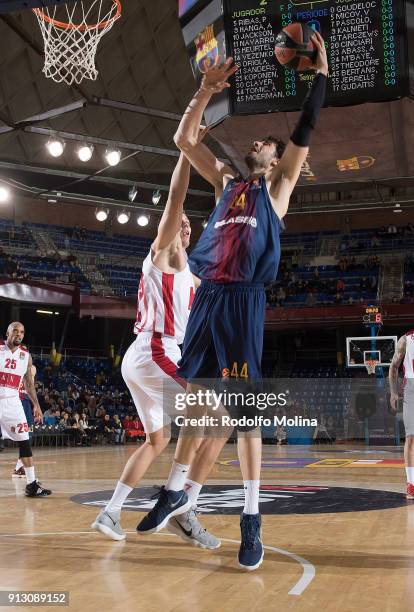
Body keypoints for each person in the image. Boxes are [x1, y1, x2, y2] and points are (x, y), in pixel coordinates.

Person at [137, 34, 328, 570]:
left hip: (243, 299)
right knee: (196, 403)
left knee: (244, 413)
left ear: (276, 158)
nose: (261, 145)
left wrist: (322, 76)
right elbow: (183, 138)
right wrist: (203, 91)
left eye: (268, 144)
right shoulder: (225, 180)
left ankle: (251, 519)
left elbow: (304, 129)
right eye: (263, 144)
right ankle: (175, 491)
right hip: (209, 296)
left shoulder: (278, 189)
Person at [92, 130, 220, 549]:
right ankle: (181, 503)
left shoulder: (190, 271)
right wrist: (185, 150)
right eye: (179, 221)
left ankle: (111, 511)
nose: (183, 224)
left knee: (159, 439)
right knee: (216, 419)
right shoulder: (162, 254)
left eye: (187, 225)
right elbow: (175, 198)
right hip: (155, 349)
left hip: (146, 354)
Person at [0, 322, 51, 496]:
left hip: (13, 401)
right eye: (15, 331)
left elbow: (29, 384)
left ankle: (32, 484)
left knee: (24, 440)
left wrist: (36, 404)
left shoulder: (25, 356)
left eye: (22, 332)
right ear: (7, 333)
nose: (19, 334)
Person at [389, 331, 414, 499]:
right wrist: (393, 392)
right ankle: (411, 483)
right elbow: (393, 366)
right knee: (411, 437)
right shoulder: (405, 339)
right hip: (411, 388)